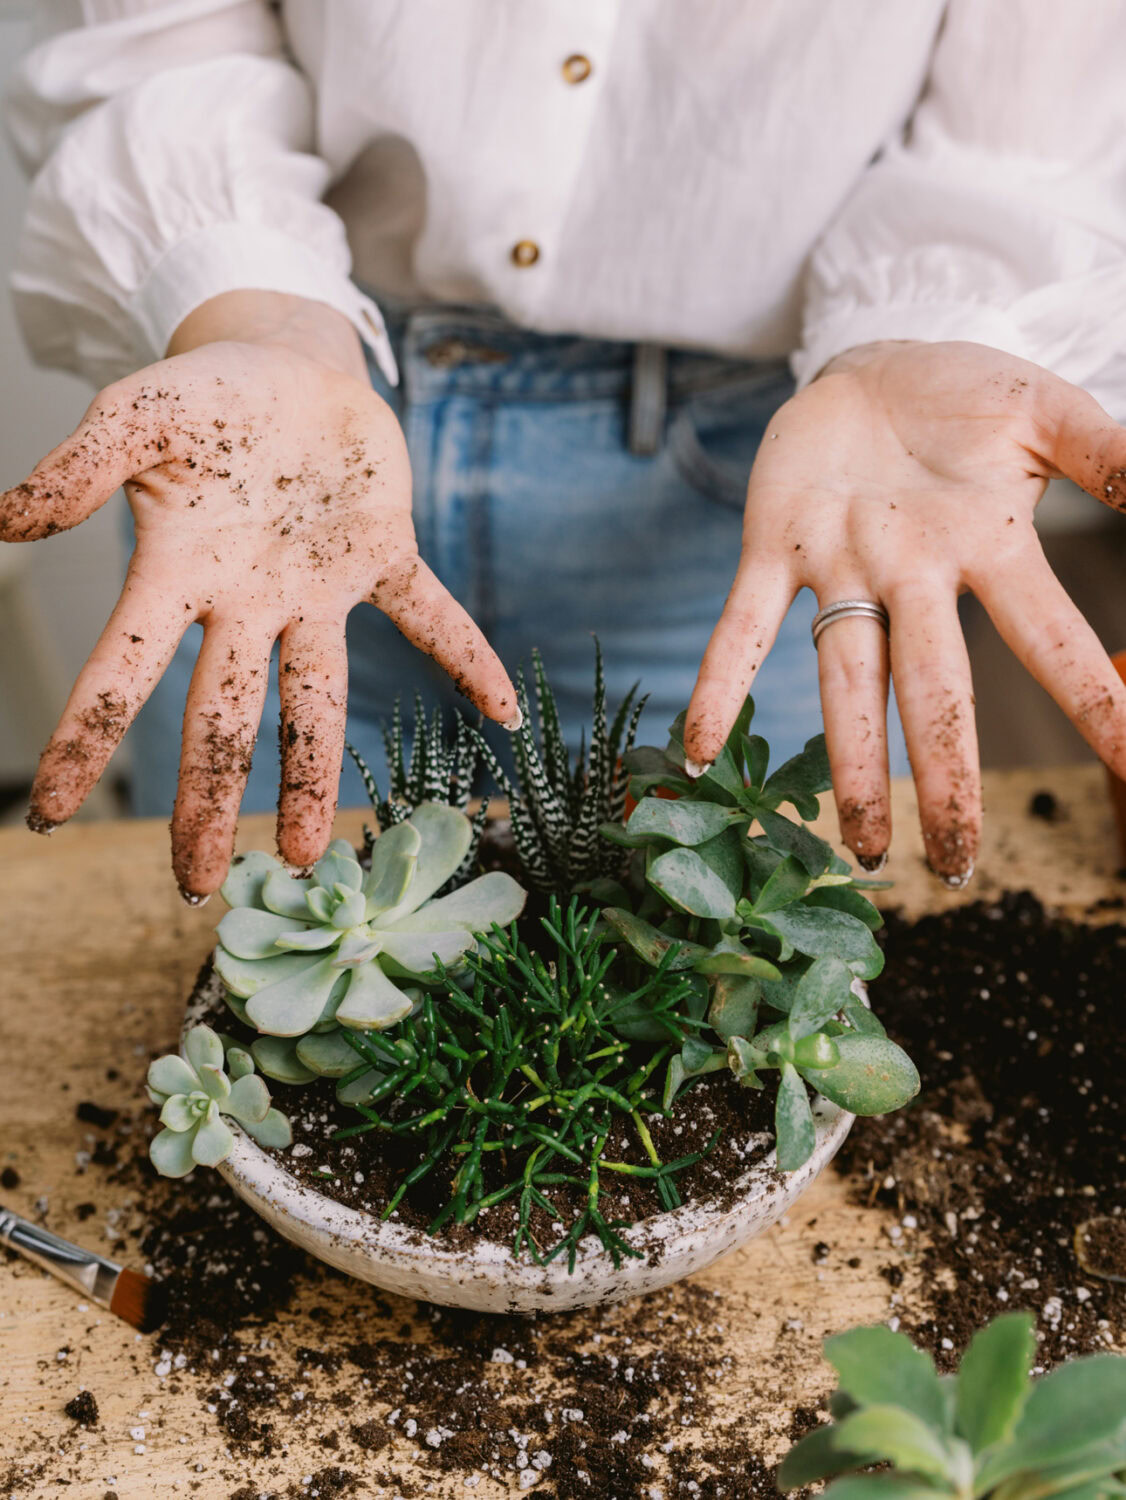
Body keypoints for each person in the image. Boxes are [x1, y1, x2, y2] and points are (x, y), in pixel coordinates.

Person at [4, 2, 1126, 905]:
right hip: (289, 435)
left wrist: (932, 323)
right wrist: (254, 313)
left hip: (777, 487)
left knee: (723, 955)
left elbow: (1032, 118)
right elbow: (151, 29)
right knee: (214, 919)